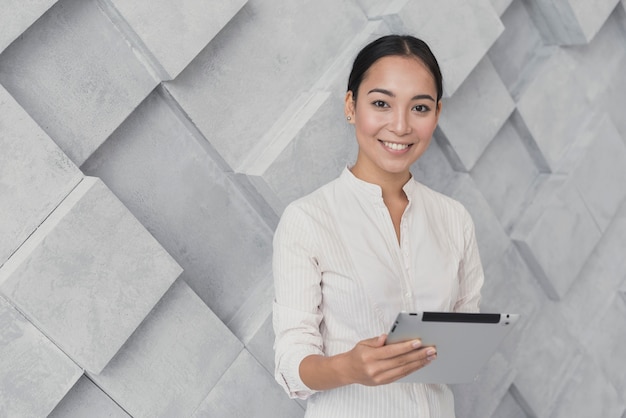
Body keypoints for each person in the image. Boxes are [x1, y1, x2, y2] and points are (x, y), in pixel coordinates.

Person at [272, 34, 484, 418]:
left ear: (437, 113)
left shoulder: (455, 220)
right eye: (381, 103)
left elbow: (463, 342)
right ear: (351, 106)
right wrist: (347, 367)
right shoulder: (307, 219)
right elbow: (290, 361)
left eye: (419, 108)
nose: (400, 126)